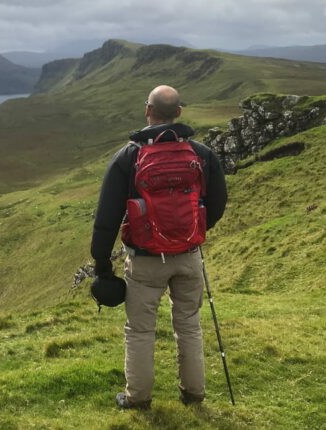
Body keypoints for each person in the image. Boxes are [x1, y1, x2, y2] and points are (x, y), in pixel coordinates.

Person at [90, 85, 228, 409]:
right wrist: (192, 233)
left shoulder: (129, 156)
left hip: (145, 260)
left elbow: (106, 217)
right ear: (179, 112)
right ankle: (193, 394)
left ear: (147, 110)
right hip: (189, 257)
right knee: (189, 326)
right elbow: (218, 203)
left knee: (139, 331)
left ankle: (138, 399)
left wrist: (102, 265)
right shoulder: (202, 154)